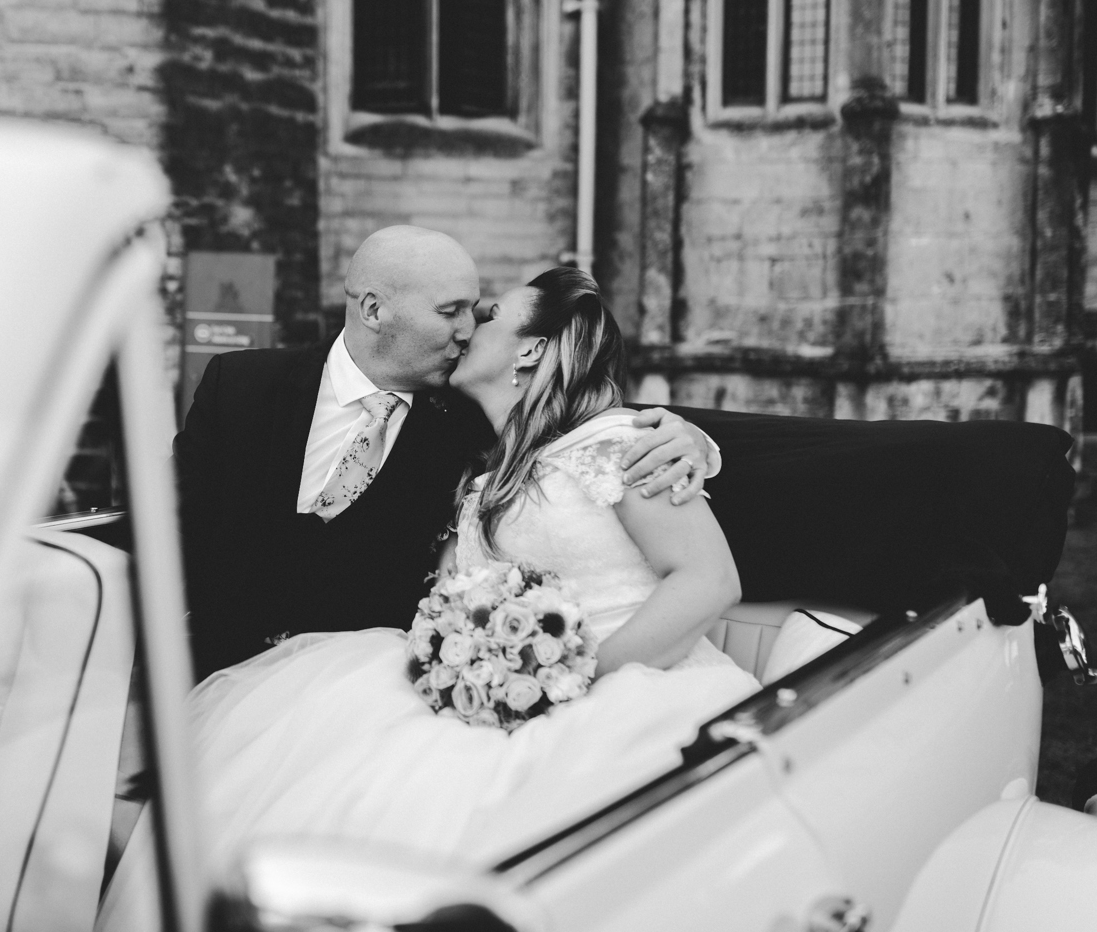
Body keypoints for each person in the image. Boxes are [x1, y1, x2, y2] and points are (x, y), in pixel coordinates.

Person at [97, 267, 760, 929]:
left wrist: (574, 679)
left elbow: (710, 581)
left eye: (490, 313)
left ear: (533, 347)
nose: (468, 327)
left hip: (621, 689)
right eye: (457, 311)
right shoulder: (489, 457)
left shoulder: (625, 447)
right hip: (492, 684)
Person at [174, 225, 717, 678]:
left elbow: (576, 419)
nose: (466, 330)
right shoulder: (239, 385)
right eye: (451, 310)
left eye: (479, 312)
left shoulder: (470, 421)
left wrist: (691, 437)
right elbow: (167, 530)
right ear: (373, 310)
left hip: (364, 688)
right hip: (216, 679)